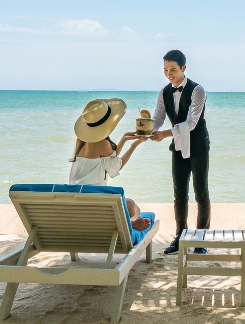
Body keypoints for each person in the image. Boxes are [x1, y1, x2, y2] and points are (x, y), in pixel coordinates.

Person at [147, 49, 210, 254]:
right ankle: (180, 237)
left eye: (173, 69)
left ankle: (201, 240)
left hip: (198, 145)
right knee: (179, 193)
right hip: (178, 146)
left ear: (183, 68)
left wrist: (164, 134)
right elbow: (158, 118)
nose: (169, 74)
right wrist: (147, 130)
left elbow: (191, 123)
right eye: (165, 69)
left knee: (201, 192)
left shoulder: (198, 90)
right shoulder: (164, 92)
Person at [70, 98, 150, 230]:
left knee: (131, 205)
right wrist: (134, 145)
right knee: (133, 206)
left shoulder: (81, 141)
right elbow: (116, 168)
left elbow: (107, 158)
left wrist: (124, 139)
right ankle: (131, 223)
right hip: (95, 203)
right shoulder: (104, 144)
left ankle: (131, 221)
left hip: (77, 201)